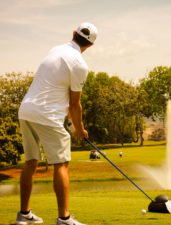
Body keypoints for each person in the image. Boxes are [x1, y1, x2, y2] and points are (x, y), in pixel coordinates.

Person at [16, 22, 98, 225]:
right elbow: (75, 104)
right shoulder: (80, 64)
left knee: (30, 161)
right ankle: (64, 218)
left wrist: (76, 125)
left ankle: (24, 214)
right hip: (47, 115)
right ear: (91, 45)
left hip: (26, 110)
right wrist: (79, 130)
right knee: (61, 164)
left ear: (73, 33)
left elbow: (64, 100)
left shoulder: (55, 49)